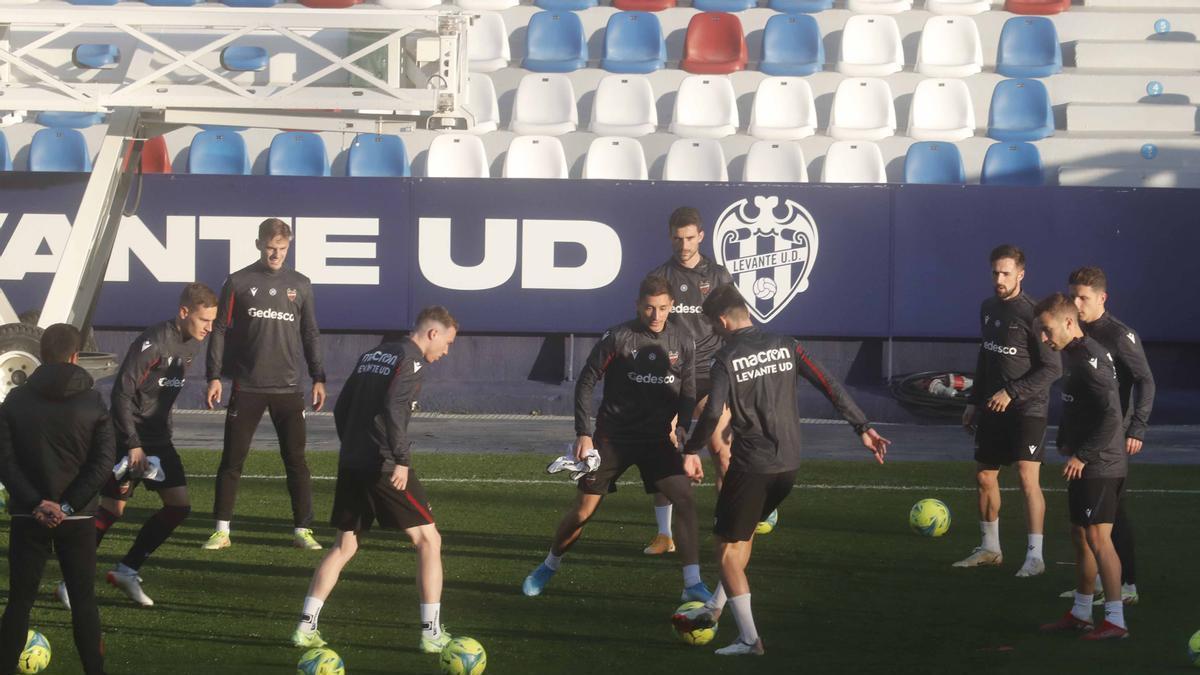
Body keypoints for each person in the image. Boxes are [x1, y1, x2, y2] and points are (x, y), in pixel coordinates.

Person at [671, 285, 889, 656]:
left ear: (722, 320)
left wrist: (691, 450)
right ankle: (716, 608)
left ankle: (749, 639)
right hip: (788, 466)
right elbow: (828, 383)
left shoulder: (725, 358)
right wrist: (862, 426)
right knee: (742, 537)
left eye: (713, 325)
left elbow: (711, 412)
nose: (714, 332)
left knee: (724, 549)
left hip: (752, 466)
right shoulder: (787, 344)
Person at [522, 276, 711, 602]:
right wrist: (584, 433)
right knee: (582, 512)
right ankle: (549, 564)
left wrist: (682, 425)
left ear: (672, 306)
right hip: (613, 438)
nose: (655, 315)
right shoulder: (618, 337)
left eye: (663, 308)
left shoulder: (684, 341)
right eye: (649, 308)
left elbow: (689, 390)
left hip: (656, 441)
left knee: (685, 500)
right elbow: (586, 381)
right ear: (638, 305)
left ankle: (692, 583)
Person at [291, 307, 458, 654]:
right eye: (448, 342)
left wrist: (353, 445)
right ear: (432, 333)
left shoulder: (373, 355)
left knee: (344, 546)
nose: (446, 351)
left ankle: (305, 627)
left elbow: (342, 408)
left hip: (352, 461)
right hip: (383, 464)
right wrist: (401, 459)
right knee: (429, 540)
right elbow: (395, 409)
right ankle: (431, 633)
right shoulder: (410, 362)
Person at [61, 284, 217, 609]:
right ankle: (70, 581)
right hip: (128, 436)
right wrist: (132, 444)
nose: (209, 327)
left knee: (178, 507)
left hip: (158, 439)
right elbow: (121, 392)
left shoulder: (192, 343)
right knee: (112, 509)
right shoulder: (154, 341)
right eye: (204, 320)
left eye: (212, 321)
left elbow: (159, 394)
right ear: (184, 312)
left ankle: (127, 569)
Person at [204, 218, 327, 550]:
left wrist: (319, 376)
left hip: (289, 389)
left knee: (296, 461)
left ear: (289, 246)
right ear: (259, 244)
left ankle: (303, 529)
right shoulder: (239, 282)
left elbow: (310, 333)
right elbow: (219, 330)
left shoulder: (301, 284)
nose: (276, 254)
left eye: (283, 248)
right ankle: (222, 529)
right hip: (248, 387)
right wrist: (214, 376)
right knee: (232, 460)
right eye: (271, 247)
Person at [0, 324, 114, 675]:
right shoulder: (93, 401)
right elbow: (103, 461)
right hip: (76, 519)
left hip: (28, 515)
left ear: (42, 355)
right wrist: (67, 505)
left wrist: (36, 502)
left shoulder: (15, 400)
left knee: (20, 601)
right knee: (83, 602)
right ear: (76, 356)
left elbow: (5, 461)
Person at [955, 244, 1061, 577]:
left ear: (1021, 274)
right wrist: (974, 401)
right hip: (992, 407)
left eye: (1005, 273)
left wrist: (1012, 392)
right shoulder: (988, 307)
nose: (999, 279)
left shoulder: (1034, 313)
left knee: (1027, 479)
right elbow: (986, 356)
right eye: (995, 273)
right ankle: (990, 549)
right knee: (984, 475)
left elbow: (1052, 368)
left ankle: (1035, 556)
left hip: (1028, 409)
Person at [1035, 293, 1129, 640]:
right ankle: (1081, 613)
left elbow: (1111, 417)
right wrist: (1066, 441)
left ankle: (1116, 621)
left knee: (1098, 537)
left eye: (1047, 330)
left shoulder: (1090, 359)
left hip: (1101, 464)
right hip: (1087, 461)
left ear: (1069, 323)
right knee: (1080, 536)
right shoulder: (1073, 354)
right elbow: (1080, 409)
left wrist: (1083, 455)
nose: (1045, 339)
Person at [643, 206, 735, 555]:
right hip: (672, 373)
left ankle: (728, 523)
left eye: (690, 238)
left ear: (701, 235)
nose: (684, 245)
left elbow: (733, 323)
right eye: (678, 238)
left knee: (723, 452)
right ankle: (664, 535)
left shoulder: (720, 276)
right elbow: (649, 328)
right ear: (671, 237)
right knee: (664, 452)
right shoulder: (659, 277)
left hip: (711, 372)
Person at [1062, 266, 1154, 606]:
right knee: (1090, 519)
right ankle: (1094, 585)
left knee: (1114, 514)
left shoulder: (1118, 335)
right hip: (1086, 438)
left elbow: (1145, 379)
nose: (1077, 302)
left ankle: (1127, 584)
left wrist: (1138, 426)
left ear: (1103, 298)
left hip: (1113, 436)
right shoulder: (1074, 333)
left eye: (1083, 297)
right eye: (1073, 295)